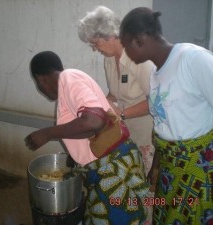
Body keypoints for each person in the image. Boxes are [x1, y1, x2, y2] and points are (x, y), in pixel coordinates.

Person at [25, 51, 149, 225]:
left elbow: (94, 120)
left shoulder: (68, 79)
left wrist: (47, 133)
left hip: (112, 171)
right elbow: (88, 127)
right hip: (111, 165)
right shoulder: (68, 85)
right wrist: (75, 154)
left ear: (40, 80)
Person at [119, 7, 213, 225]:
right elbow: (163, 123)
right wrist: (156, 166)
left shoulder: (192, 59)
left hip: (197, 168)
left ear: (140, 40)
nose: (126, 53)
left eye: (126, 45)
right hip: (170, 170)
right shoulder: (155, 75)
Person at [77, 6, 156, 177]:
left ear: (110, 35)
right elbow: (115, 93)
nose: (94, 48)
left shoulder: (141, 58)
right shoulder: (109, 60)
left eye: (95, 43)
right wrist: (99, 106)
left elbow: (157, 101)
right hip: (122, 132)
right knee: (126, 178)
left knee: (142, 179)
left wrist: (122, 113)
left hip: (145, 131)